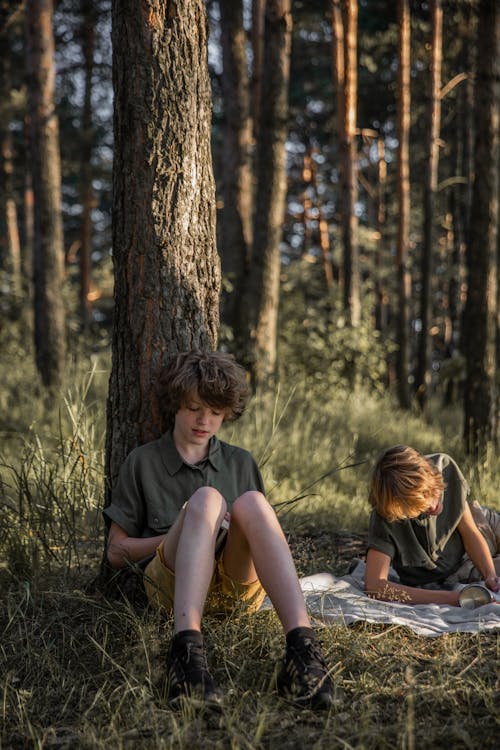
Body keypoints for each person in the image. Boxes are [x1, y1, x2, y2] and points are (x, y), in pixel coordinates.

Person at [104, 350, 334, 709]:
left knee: (253, 503)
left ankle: (302, 652)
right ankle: (186, 659)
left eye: (215, 413)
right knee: (208, 500)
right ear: (175, 405)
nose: (204, 421)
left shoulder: (240, 462)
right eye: (195, 408)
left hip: (235, 591)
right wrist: (188, 532)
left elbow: (258, 535)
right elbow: (115, 553)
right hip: (171, 590)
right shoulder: (143, 462)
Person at [364, 445, 500, 606]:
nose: (432, 503)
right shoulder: (386, 518)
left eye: (431, 490)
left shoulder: (444, 466)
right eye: (420, 503)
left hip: (482, 524)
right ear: (399, 509)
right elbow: (374, 586)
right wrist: (452, 598)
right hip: (459, 569)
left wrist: (490, 574)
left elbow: (470, 532)